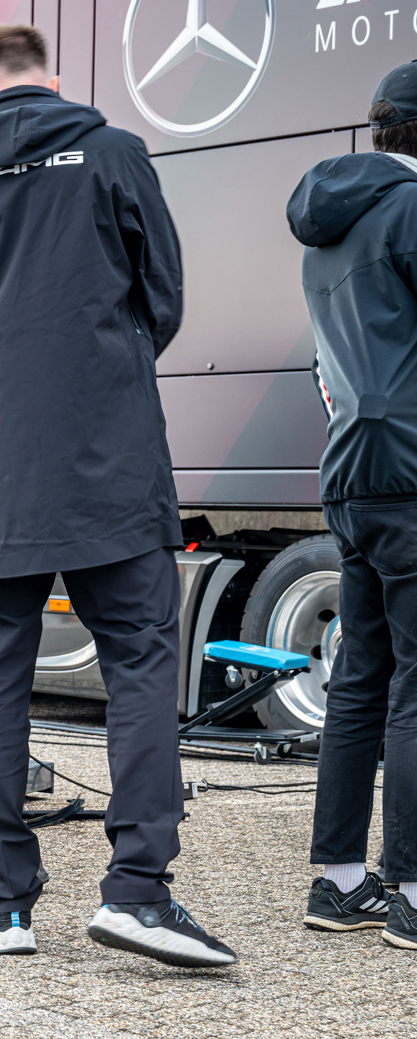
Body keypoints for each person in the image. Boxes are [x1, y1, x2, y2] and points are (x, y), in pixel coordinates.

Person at [0, 24, 234, 967]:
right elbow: (161, 298)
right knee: (136, 665)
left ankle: (2, 907)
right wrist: (97, 367)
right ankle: (137, 894)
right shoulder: (111, 153)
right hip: (106, 455)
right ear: (48, 78)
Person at [287, 63, 417, 950]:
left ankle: (340, 882)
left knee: (361, 682)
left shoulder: (328, 230)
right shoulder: (412, 212)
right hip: (413, 469)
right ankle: (412, 891)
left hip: (353, 478)